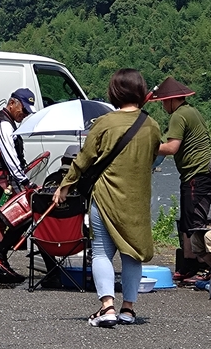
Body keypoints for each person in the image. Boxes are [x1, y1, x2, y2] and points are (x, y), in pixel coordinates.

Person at [53, 69, 161, 327]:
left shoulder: (104, 123)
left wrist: (65, 185)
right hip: (137, 201)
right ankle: (128, 310)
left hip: (106, 197)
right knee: (132, 253)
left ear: (115, 92)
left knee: (101, 251)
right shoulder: (152, 126)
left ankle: (107, 307)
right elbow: (153, 158)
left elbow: (84, 160)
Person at [150, 77, 211, 283]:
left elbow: (171, 148)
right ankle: (190, 264)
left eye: (163, 102)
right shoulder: (190, 111)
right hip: (198, 175)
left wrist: (144, 146)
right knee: (188, 221)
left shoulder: (179, 115)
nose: (162, 106)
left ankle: (204, 267)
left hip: (197, 175)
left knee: (195, 223)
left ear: (172, 100)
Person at [0, 88, 37, 283]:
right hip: (2, 181)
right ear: (12, 103)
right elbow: (9, 156)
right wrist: (24, 181)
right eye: (23, 109)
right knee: (22, 218)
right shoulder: (4, 124)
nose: (25, 114)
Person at [39, 144, 81, 288]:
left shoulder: (49, 179)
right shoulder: (82, 184)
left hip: (47, 240)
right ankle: (91, 274)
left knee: (39, 228)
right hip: (76, 240)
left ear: (63, 160)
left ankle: (52, 273)